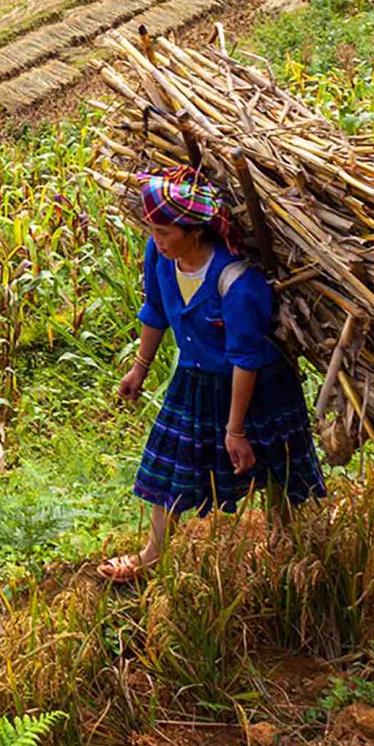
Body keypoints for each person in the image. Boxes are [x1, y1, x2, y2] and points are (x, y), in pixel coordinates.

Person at [102, 169, 325, 584]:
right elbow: (156, 311)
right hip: (195, 379)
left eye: (165, 232)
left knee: (277, 466)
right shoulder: (161, 257)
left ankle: (287, 542)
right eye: (153, 230)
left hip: (258, 385)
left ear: (196, 232)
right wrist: (140, 368)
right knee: (170, 466)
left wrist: (235, 430)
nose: (157, 239)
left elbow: (246, 358)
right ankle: (152, 555)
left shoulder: (237, 282)